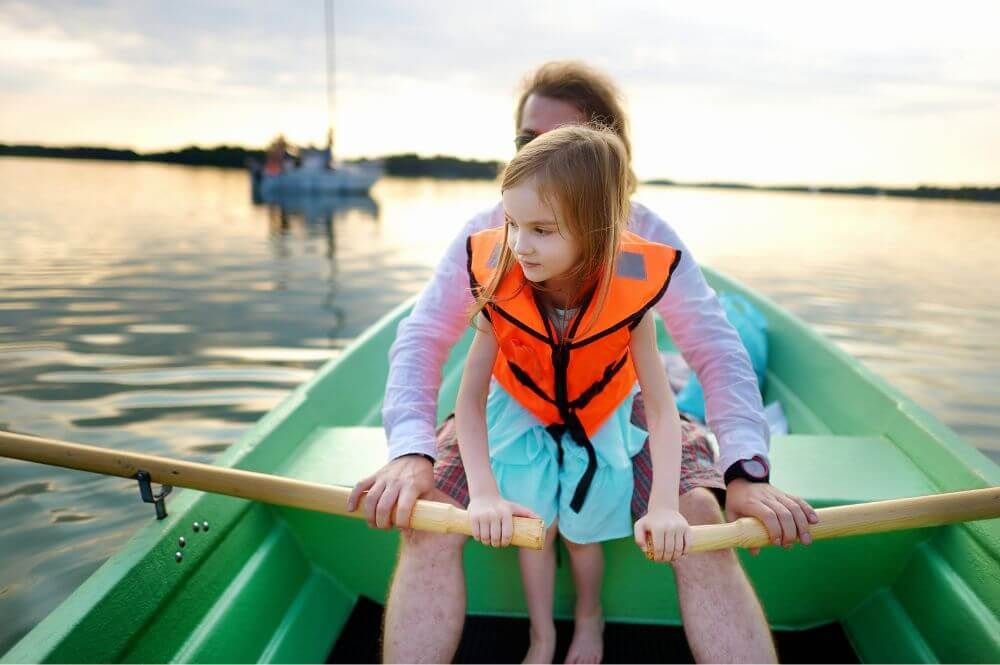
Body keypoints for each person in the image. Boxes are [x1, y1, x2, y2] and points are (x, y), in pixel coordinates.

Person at [348, 61, 819, 663]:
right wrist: (410, 452)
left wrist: (746, 472)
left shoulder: (646, 240)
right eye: (527, 142)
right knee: (428, 517)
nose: (542, 154)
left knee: (701, 515)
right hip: (514, 403)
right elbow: (422, 340)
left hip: (617, 402)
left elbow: (716, 351)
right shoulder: (493, 237)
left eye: (565, 143)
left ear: (606, 160)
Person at [458, 124, 693, 664]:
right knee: (533, 528)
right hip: (521, 406)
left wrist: (664, 507)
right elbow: (469, 402)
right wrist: (484, 493)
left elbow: (660, 408)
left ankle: (590, 616)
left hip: (599, 409)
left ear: (594, 230)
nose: (520, 245)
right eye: (513, 224)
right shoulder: (502, 284)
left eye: (541, 229)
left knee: (583, 535)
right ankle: (542, 636)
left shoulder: (629, 300)